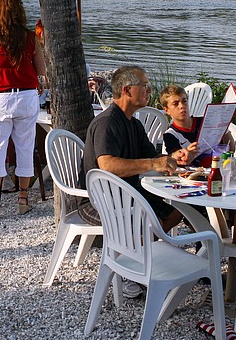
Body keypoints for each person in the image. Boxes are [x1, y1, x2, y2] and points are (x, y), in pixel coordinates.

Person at [79, 66, 186, 232]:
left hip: (128, 194)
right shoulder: (107, 123)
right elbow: (108, 166)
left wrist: (173, 157)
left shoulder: (134, 124)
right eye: (144, 85)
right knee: (149, 223)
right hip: (100, 200)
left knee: (175, 214)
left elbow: (153, 157)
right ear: (127, 91)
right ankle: (134, 253)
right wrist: (152, 164)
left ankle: (143, 250)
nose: (149, 90)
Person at [0, 0, 46, 219]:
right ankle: (23, 200)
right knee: (25, 147)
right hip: (26, 96)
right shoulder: (29, 37)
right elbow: (42, 70)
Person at [160, 84, 233, 168]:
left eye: (184, 101)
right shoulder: (170, 135)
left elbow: (231, 149)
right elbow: (178, 163)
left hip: (218, 168)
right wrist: (187, 153)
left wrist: (224, 127)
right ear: (167, 110)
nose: (182, 106)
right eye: (176, 104)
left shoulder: (205, 122)